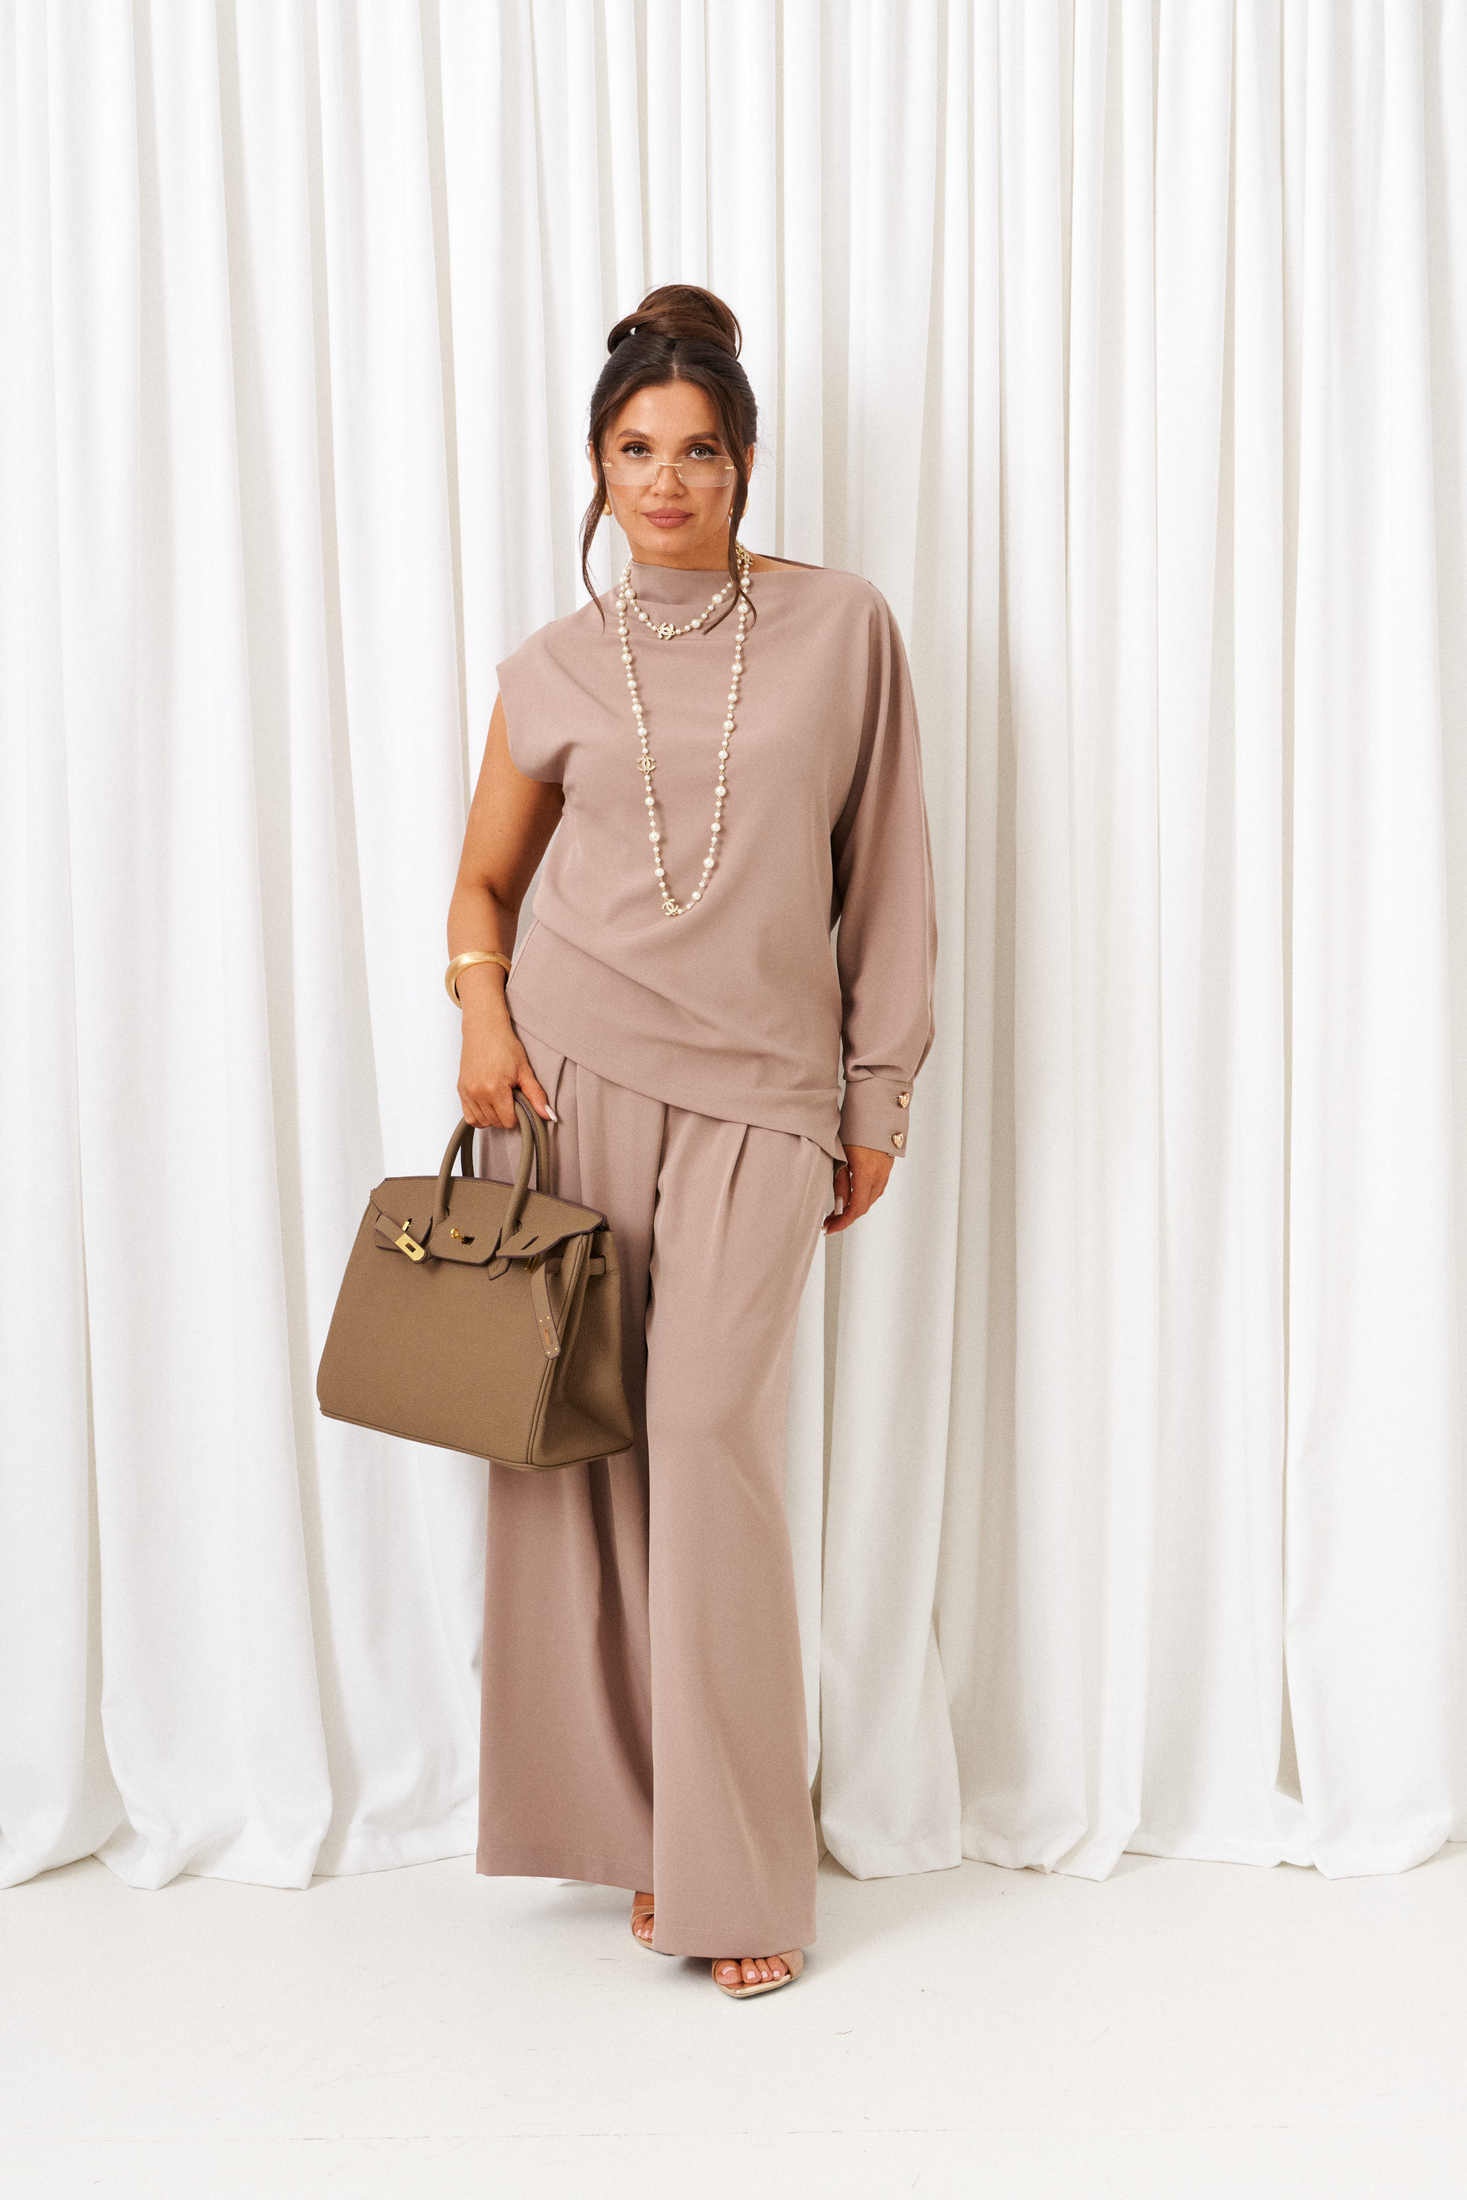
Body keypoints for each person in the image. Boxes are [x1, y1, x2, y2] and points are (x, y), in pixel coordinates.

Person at [445, 282, 938, 1999]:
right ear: (598, 466)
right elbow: (482, 884)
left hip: (765, 1098)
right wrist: (484, 1014)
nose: (670, 480)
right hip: (573, 1086)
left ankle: (740, 1868)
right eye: (640, 450)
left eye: (702, 451)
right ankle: (644, 1836)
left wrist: (876, 1092)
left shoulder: (842, 629)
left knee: (710, 1438)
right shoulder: (552, 667)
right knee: (581, 1461)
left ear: (745, 465)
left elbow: (886, 878)